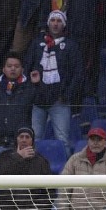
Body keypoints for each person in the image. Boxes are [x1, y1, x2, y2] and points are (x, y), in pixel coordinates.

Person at [24, 10, 83, 156]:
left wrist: (67, 95)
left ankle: (65, 175)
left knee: (62, 140)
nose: (55, 24)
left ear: (64, 25)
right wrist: (32, 91)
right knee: (34, 139)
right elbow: (27, 67)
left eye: (59, 21)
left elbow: (78, 74)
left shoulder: (71, 46)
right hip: (38, 101)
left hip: (59, 101)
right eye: (53, 21)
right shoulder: (37, 44)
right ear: (48, 23)